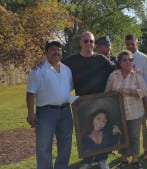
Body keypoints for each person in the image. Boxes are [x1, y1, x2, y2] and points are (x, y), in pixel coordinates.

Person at [63, 31, 115, 169]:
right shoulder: (71, 60)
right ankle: (87, 161)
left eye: (91, 41)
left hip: (99, 101)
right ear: (81, 43)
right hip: (82, 103)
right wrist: (43, 63)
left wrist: (130, 67)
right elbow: (57, 66)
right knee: (85, 131)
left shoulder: (101, 59)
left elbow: (115, 70)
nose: (89, 44)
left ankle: (102, 159)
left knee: (101, 130)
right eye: (86, 41)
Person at [26, 40, 73, 169]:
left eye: (59, 49)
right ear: (46, 52)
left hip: (65, 112)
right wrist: (30, 113)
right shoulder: (38, 71)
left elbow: (68, 89)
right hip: (46, 113)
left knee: (65, 145)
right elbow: (30, 93)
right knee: (43, 146)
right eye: (52, 49)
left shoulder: (67, 70)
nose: (56, 52)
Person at [105, 50, 147, 169]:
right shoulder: (114, 75)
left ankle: (135, 159)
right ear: (119, 62)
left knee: (134, 135)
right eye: (125, 60)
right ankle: (123, 160)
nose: (128, 62)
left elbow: (143, 91)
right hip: (119, 113)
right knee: (122, 136)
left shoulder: (137, 74)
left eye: (130, 60)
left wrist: (128, 92)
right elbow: (107, 92)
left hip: (135, 112)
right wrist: (114, 94)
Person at [124, 34, 147, 159]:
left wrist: (144, 95)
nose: (130, 46)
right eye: (128, 44)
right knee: (129, 126)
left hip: (142, 97)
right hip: (128, 98)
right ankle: (130, 150)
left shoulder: (144, 58)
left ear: (137, 43)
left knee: (145, 125)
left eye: (132, 43)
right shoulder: (123, 57)